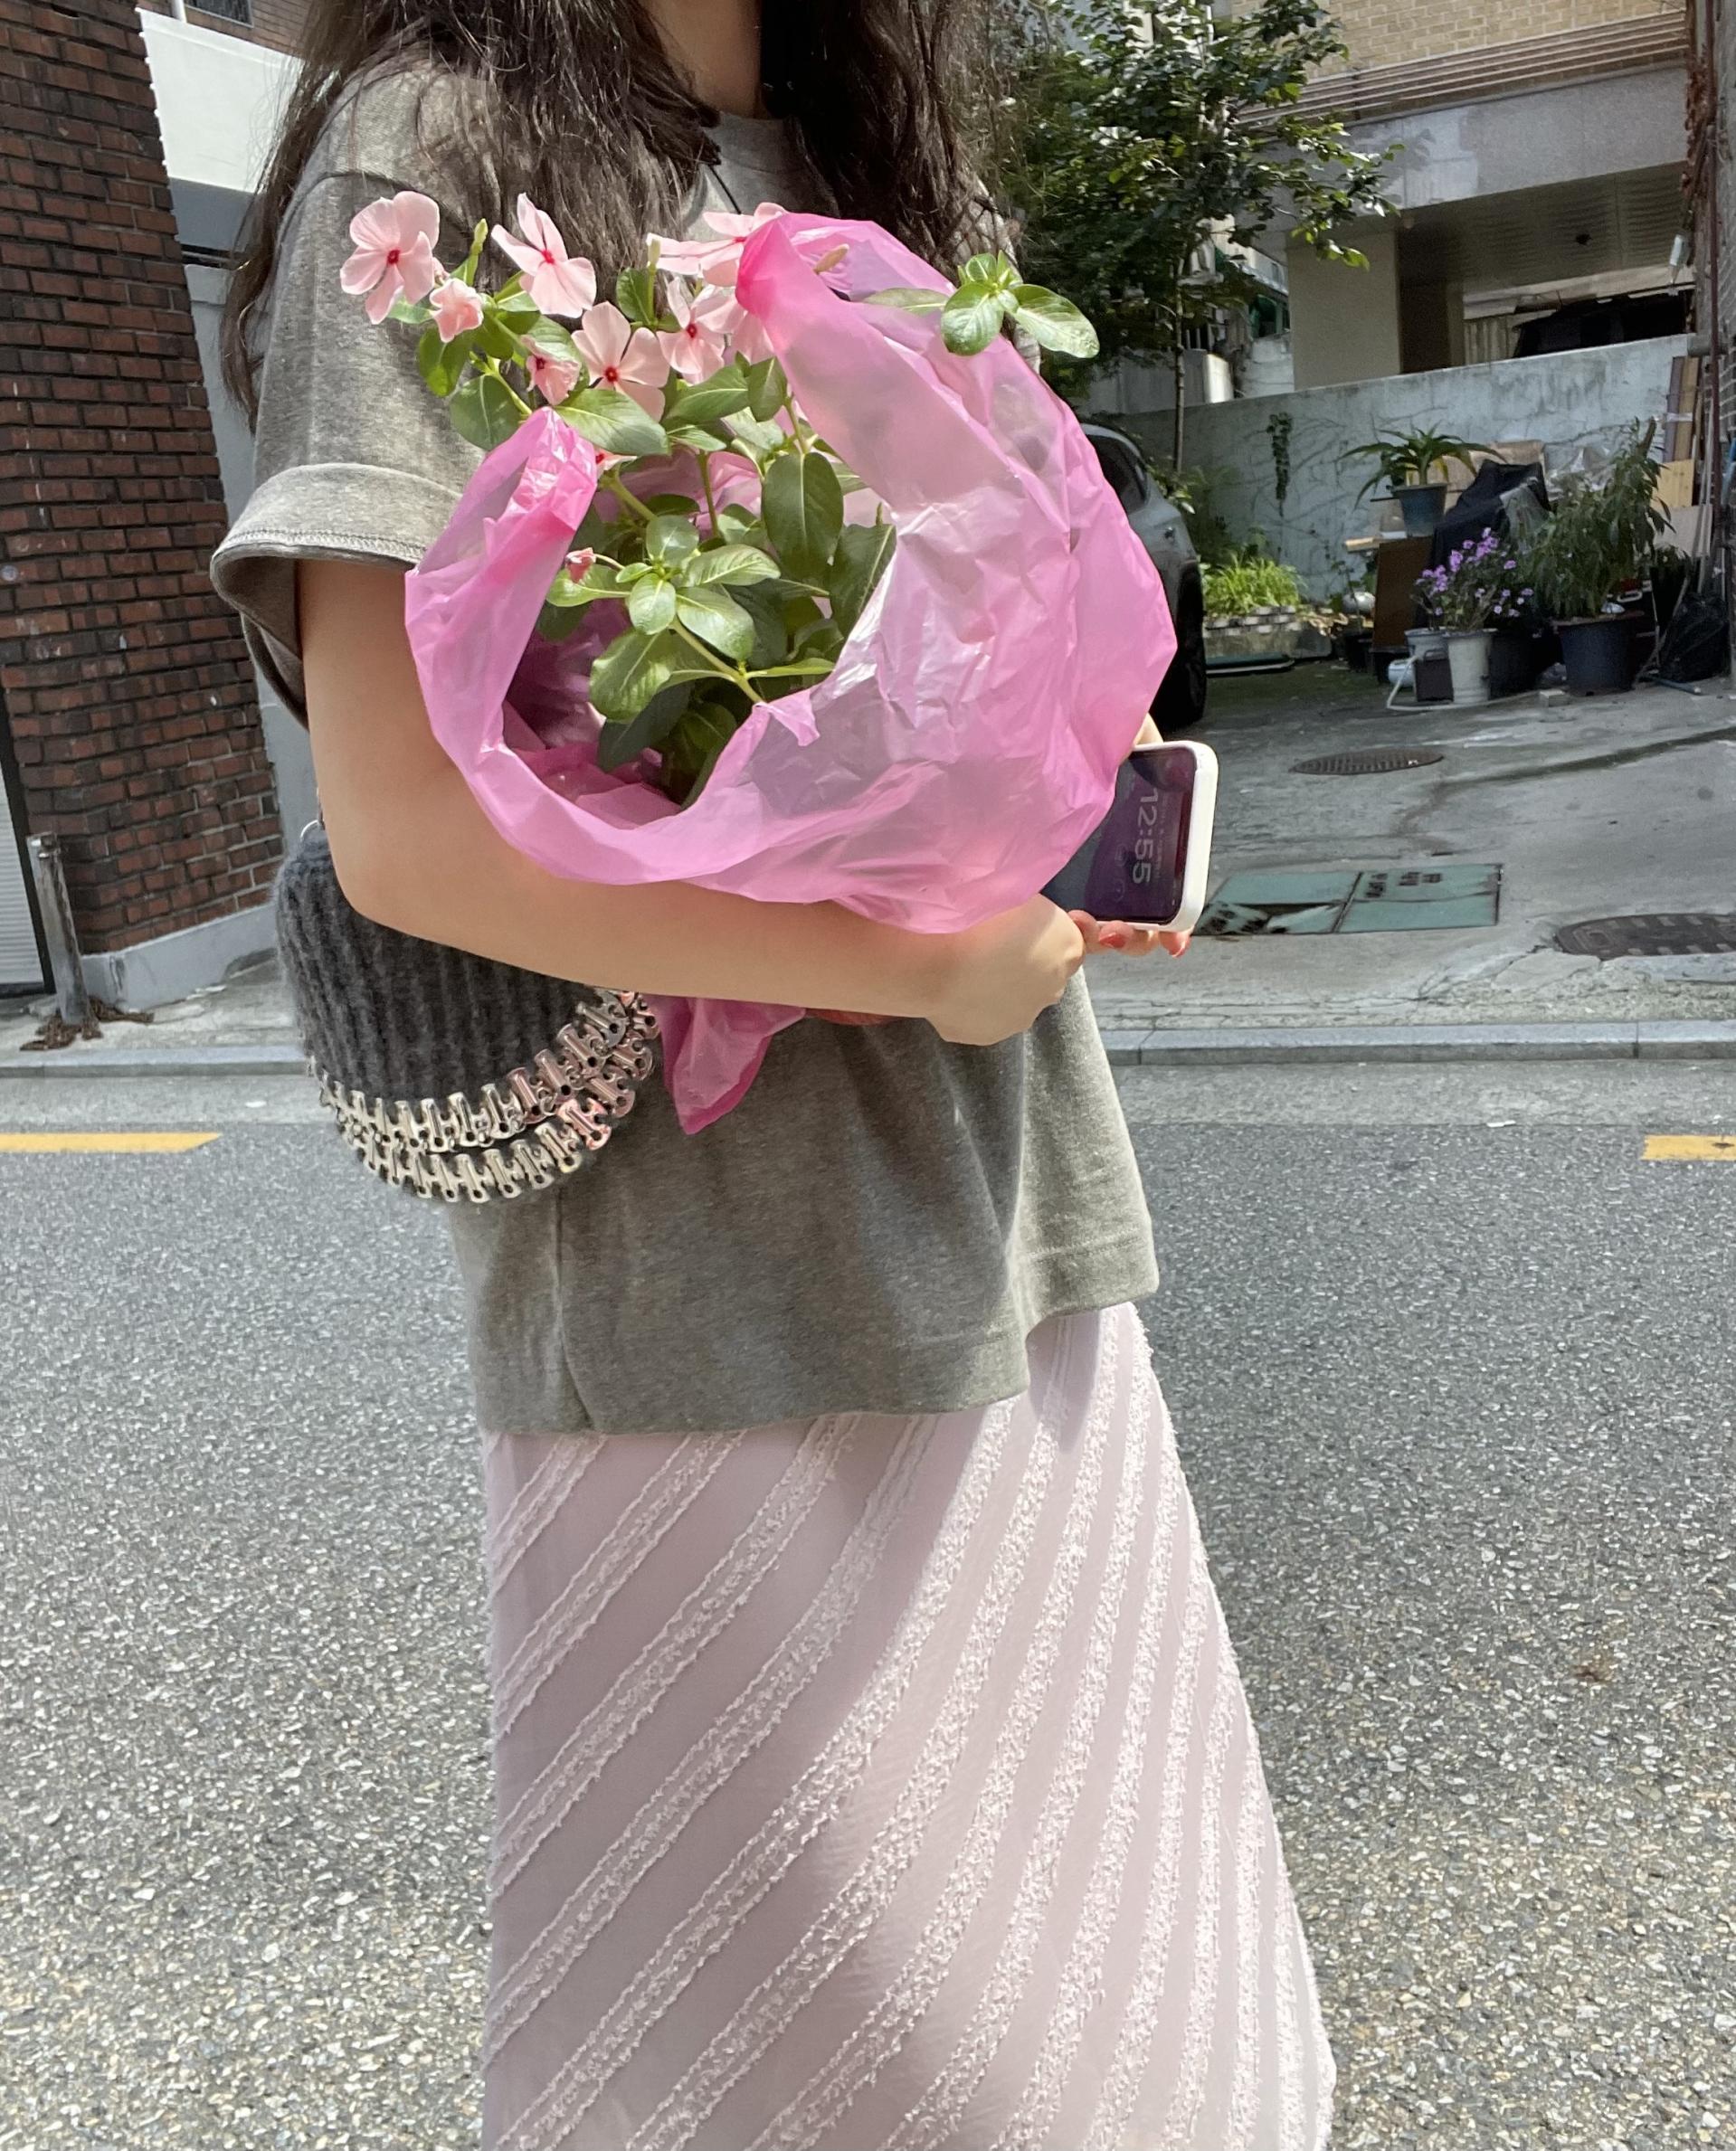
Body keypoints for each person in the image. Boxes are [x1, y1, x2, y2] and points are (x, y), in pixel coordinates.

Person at [212, 3, 1333, 2145]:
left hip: (1008, 1211)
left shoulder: (865, 145)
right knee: (819, 2055)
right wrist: (911, 962)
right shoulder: (438, 148)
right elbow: (407, 833)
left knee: (1123, 2015)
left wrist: (1069, 786)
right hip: (710, 1295)